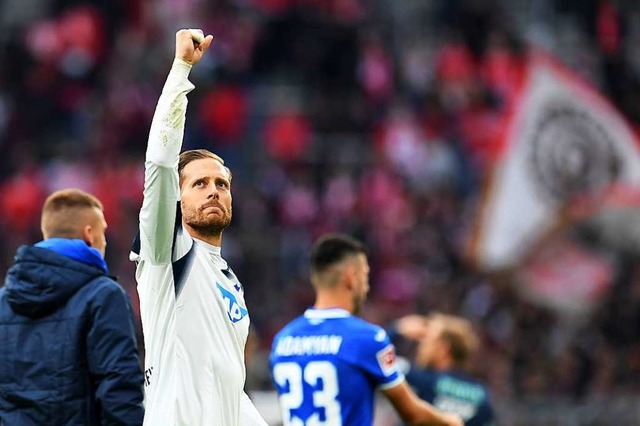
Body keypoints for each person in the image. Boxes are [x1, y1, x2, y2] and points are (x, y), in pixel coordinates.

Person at [130, 29, 267, 425]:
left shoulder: (229, 281)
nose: (213, 191)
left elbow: (231, 387)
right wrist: (181, 70)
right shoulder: (168, 253)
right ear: (177, 197)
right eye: (199, 183)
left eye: (221, 184)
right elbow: (158, 163)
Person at [270, 233, 463, 426]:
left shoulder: (282, 340)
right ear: (351, 277)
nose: (366, 287)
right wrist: (451, 422)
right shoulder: (367, 337)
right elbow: (413, 414)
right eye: (365, 276)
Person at [0, 188, 144, 425]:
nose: (105, 241)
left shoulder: (4, 302)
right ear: (89, 234)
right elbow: (119, 390)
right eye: (103, 233)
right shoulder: (104, 296)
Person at [388, 313, 495, 426]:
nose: (421, 345)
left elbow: (376, 360)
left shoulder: (423, 379)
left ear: (444, 348)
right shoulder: (481, 394)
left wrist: (397, 330)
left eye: (427, 339)